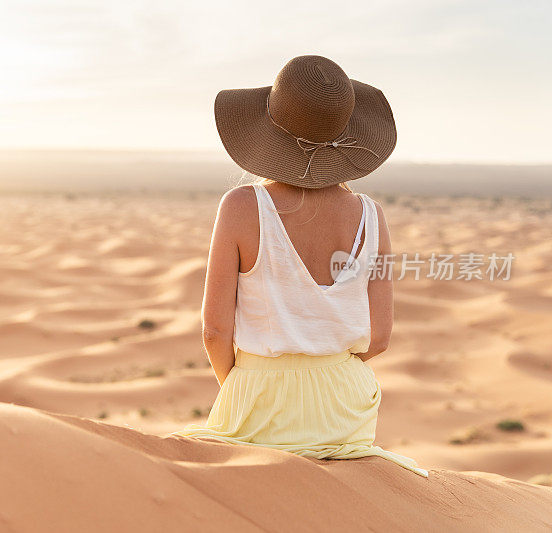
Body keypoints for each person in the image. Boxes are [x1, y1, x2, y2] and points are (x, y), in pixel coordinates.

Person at [169, 55, 429, 478]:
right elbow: (379, 338)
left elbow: (214, 331)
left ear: (269, 131)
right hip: (346, 400)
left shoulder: (240, 206)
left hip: (259, 392)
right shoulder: (371, 214)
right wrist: (322, 369)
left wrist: (247, 384)